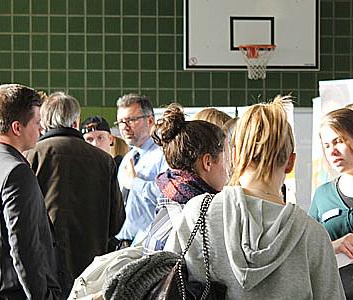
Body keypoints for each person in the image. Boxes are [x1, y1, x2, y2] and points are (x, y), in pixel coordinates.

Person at [165, 96, 345, 299]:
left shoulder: (198, 213)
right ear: (290, 162)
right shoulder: (313, 235)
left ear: (233, 157)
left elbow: (166, 279)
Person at [25, 92, 125, 295]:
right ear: (76, 120)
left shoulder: (30, 156)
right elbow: (116, 221)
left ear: (43, 121)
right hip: (91, 270)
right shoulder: (104, 160)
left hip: (43, 268)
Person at [0, 84, 61, 299]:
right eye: (37, 123)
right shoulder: (17, 172)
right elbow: (25, 248)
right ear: (17, 128)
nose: (41, 130)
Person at [144, 103, 228, 254]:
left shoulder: (171, 200)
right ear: (207, 162)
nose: (229, 168)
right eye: (226, 159)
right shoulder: (196, 220)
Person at [309, 107, 353, 261]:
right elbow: (308, 249)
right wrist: (334, 245)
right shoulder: (322, 195)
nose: (332, 152)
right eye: (327, 145)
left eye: (339, 141)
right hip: (334, 284)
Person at [114, 93, 168, 245]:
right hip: (122, 242)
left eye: (131, 120)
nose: (124, 127)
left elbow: (168, 196)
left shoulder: (163, 155)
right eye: (120, 122)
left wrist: (135, 184)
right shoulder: (128, 158)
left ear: (150, 120)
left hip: (148, 243)